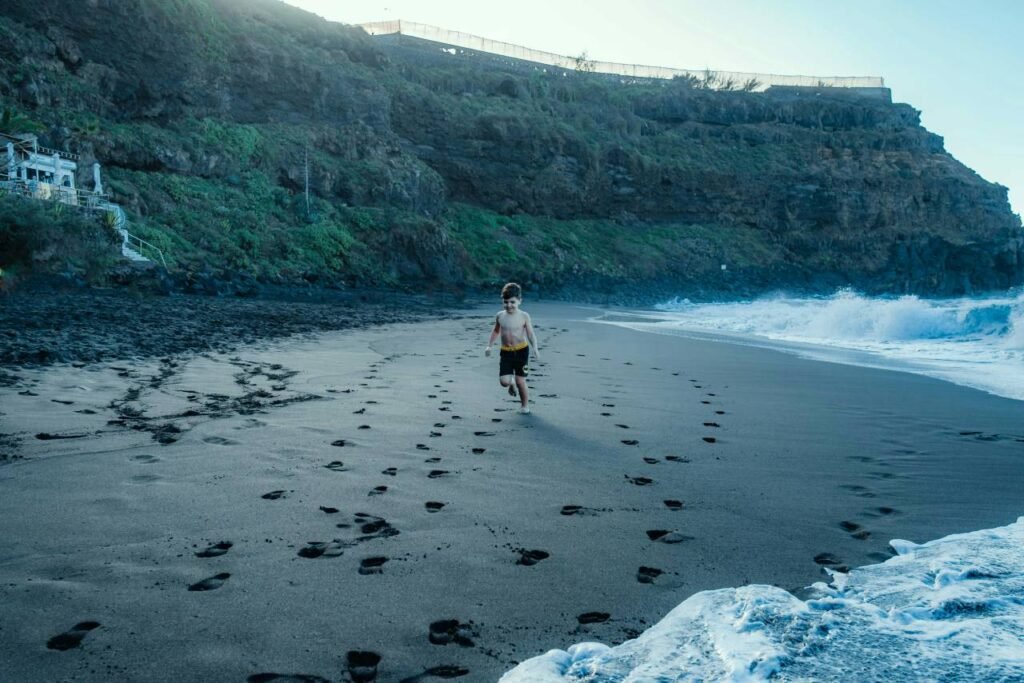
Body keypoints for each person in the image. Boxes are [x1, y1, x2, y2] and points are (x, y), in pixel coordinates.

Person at [485, 282, 540, 414]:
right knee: (504, 382)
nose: (509, 305)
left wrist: (535, 348)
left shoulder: (524, 316)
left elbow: (530, 333)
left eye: (512, 302)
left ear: (519, 301)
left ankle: (525, 406)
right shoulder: (500, 315)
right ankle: (511, 384)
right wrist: (489, 346)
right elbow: (495, 331)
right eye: (506, 302)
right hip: (506, 352)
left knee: (521, 380)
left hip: (521, 351)